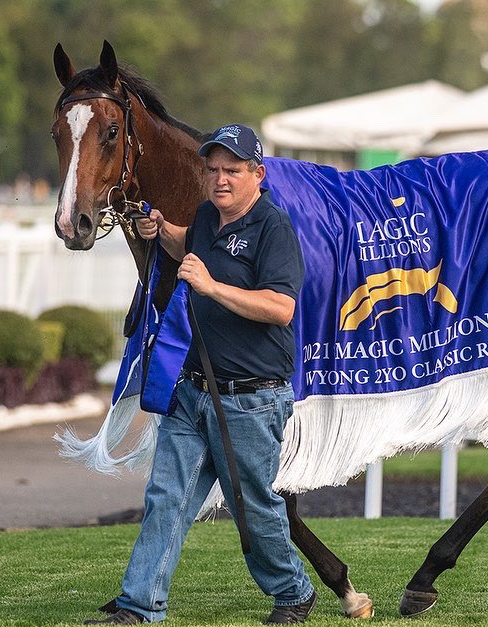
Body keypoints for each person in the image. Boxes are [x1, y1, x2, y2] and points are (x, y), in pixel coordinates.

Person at [86, 124, 315, 625]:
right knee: (166, 496)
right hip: (194, 390)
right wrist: (160, 230)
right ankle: (138, 604)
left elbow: (280, 307)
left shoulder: (273, 228)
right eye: (212, 170)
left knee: (252, 505)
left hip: (251, 399)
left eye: (232, 170)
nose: (220, 180)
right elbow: (187, 245)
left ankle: (294, 591)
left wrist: (211, 288)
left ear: (258, 174)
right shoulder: (208, 218)